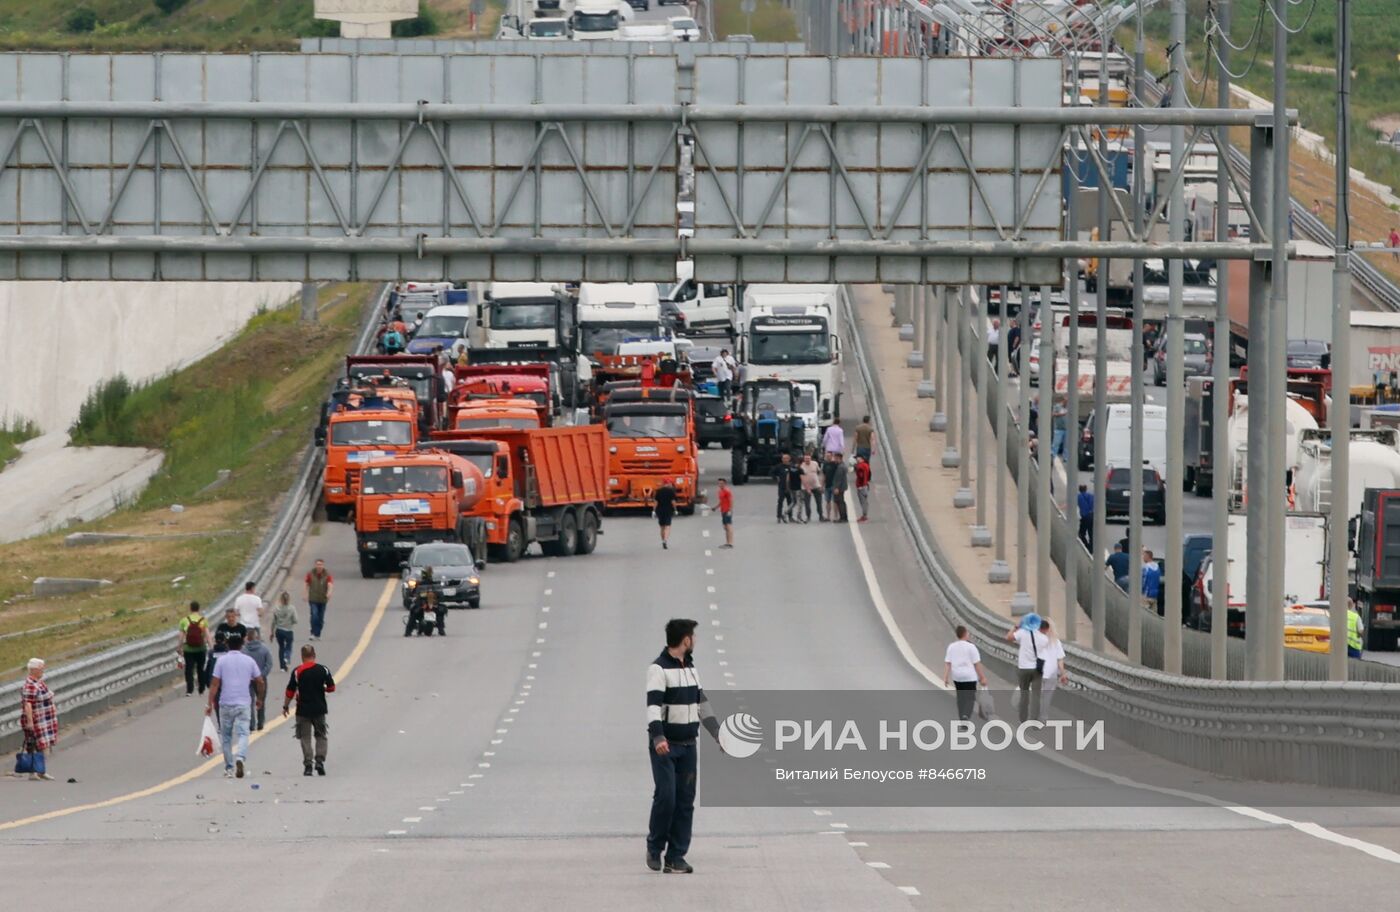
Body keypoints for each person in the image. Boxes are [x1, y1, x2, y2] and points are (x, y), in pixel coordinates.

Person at [646, 618, 723, 874]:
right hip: (666, 746)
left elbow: (701, 702)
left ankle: (676, 856)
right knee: (666, 797)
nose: (695, 641)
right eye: (693, 636)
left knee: (685, 802)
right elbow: (653, 707)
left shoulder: (691, 667)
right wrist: (658, 737)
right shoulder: (658, 669)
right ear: (685, 640)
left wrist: (717, 733)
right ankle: (655, 848)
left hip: (689, 745)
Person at [207, 634, 264, 780]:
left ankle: (229, 768)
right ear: (241, 645)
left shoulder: (221, 661)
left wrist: (209, 703)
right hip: (244, 702)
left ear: (227, 645)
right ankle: (240, 757)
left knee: (226, 737)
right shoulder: (249, 661)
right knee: (244, 733)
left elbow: (214, 684)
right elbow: (260, 681)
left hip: (225, 702)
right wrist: (260, 698)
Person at [284, 644, 337, 776]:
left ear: (302, 657)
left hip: (303, 710)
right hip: (319, 709)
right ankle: (320, 761)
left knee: (305, 738)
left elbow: (290, 691)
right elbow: (331, 688)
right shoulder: (323, 670)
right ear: (314, 655)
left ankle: (308, 765)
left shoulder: (297, 671)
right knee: (321, 735)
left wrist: (285, 706)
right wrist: (323, 689)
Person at [19, 658, 57, 781]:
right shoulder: (30, 685)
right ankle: (33, 772)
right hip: (37, 720)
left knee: (44, 746)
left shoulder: (39, 682)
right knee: (34, 745)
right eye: (41, 668)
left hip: (45, 720)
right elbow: (28, 704)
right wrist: (30, 722)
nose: (43, 670)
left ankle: (41, 771)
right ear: (33, 670)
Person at [1006, 615, 1048, 724]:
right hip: (1037, 670)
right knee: (1036, 695)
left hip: (1024, 668)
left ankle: (1023, 718)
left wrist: (1016, 626)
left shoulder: (1022, 633)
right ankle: (1034, 719)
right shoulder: (1044, 638)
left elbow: (1009, 637)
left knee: (1024, 693)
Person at [942, 626, 988, 722]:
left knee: (960, 697)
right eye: (967, 633)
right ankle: (966, 716)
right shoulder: (971, 647)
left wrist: (945, 677)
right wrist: (982, 677)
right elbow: (977, 664)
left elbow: (948, 663)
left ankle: (961, 717)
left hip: (957, 676)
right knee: (970, 698)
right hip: (969, 677)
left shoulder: (951, 647)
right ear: (965, 634)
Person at [206, 606, 249, 696]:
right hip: (224, 655)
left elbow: (245, 642)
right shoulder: (222, 627)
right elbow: (217, 640)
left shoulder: (241, 628)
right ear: (226, 618)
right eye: (228, 617)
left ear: (236, 617)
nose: (231, 619)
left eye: (232, 617)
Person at [243, 628, 274, 732]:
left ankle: (251, 724)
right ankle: (260, 722)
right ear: (257, 637)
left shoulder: (244, 651)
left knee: (249, 702)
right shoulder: (264, 649)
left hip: (248, 680)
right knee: (261, 700)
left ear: (248, 637)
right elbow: (269, 664)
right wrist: (261, 675)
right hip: (261, 679)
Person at [1038, 619, 1068, 722]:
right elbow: (1060, 659)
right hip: (1051, 674)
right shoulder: (1056, 642)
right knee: (1047, 697)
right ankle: (1043, 717)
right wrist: (1063, 674)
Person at [177, 601, 210, 696]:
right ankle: (201, 689)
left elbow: (181, 636)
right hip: (201, 648)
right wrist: (211, 647)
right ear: (199, 609)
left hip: (188, 649)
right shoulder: (203, 620)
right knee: (200, 668)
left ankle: (189, 690)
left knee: (189, 669)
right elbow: (207, 636)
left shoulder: (184, 620)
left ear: (190, 608)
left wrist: (179, 647)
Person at [304, 559, 334, 640]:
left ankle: (318, 633)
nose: (319, 566)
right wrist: (306, 594)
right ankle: (313, 633)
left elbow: (330, 584)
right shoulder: (310, 574)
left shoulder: (327, 575)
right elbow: (307, 584)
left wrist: (329, 593)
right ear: (315, 565)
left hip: (323, 599)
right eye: (317, 564)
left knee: (321, 618)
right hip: (313, 599)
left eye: (320, 564)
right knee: (314, 615)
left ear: (323, 565)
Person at [271, 592, 299, 672]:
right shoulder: (292, 608)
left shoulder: (276, 609)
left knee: (281, 647)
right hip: (288, 630)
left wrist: (272, 632)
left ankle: (282, 667)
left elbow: (274, 621)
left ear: (280, 599)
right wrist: (290, 622)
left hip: (279, 630)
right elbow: (295, 620)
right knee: (289, 646)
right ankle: (287, 657)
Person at [773, 453, 800, 523]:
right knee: (780, 502)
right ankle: (779, 517)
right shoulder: (778, 466)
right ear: (782, 459)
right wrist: (776, 478)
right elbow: (772, 473)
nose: (785, 460)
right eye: (783, 458)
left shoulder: (792, 467)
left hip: (790, 488)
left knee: (790, 502)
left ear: (789, 459)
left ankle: (790, 517)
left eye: (786, 458)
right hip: (782, 487)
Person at [799, 452, 822, 523]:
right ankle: (808, 516)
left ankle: (821, 515)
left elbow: (819, 472)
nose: (807, 460)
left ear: (810, 458)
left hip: (816, 486)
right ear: (804, 459)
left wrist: (820, 483)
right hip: (806, 487)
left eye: (808, 458)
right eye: (806, 458)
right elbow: (802, 478)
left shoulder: (815, 463)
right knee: (807, 503)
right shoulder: (801, 466)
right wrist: (807, 488)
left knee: (819, 502)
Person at [654, 482, 677, 549]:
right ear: (668, 484)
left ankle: (662, 540)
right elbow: (673, 502)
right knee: (668, 526)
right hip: (668, 510)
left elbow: (656, 502)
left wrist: (653, 511)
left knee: (662, 527)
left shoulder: (658, 491)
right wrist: (675, 509)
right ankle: (665, 540)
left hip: (660, 510)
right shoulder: (671, 491)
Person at [830, 454, 850, 523]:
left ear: (839, 458)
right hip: (842, 487)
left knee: (840, 502)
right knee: (841, 501)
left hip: (840, 488)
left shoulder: (840, 467)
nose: (834, 460)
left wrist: (836, 488)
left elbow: (838, 478)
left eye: (835, 458)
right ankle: (844, 517)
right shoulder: (843, 465)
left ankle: (843, 517)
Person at [715, 478, 734, 548]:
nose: (720, 485)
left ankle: (730, 543)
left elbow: (731, 500)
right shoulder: (720, 491)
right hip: (723, 510)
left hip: (727, 510)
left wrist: (730, 510)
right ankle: (727, 542)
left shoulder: (727, 491)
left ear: (725, 484)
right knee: (725, 527)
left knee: (728, 526)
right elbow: (721, 501)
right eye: (719, 483)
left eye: (722, 483)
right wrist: (715, 507)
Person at [821, 451, 839, 522]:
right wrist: (822, 485)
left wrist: (837, 486)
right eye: (827, 456)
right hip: (827, 485)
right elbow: (824, 475)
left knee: (835, 502)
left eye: (829, 456)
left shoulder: (835, 464)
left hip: (833, 485)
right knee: (827, 501)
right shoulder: (825, 464)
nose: (828, 457)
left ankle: (835, 516)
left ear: (832, 456)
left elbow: (838, 475)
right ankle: (828, 516)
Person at [854, 454, 872, 522]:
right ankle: (865, 515)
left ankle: (864, 516)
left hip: (862, 486)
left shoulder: (861, 466)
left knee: (863, 502)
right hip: (865, 485)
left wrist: (861, 486)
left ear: (860, 458)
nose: (856, 460)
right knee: (865, 501)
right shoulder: (866, 465)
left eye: (857, 458)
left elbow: (861, 476)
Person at [1076, 484, 1094, 551]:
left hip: (1085, 517)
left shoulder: (1078, 497)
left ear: (1079, 489)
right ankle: (1091, 548)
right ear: (1086, 489)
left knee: (1081, 533)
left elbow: (1071, 504)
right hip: (1092, 516)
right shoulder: (1092, 496)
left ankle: (1086, 546)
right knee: (1091, 533)